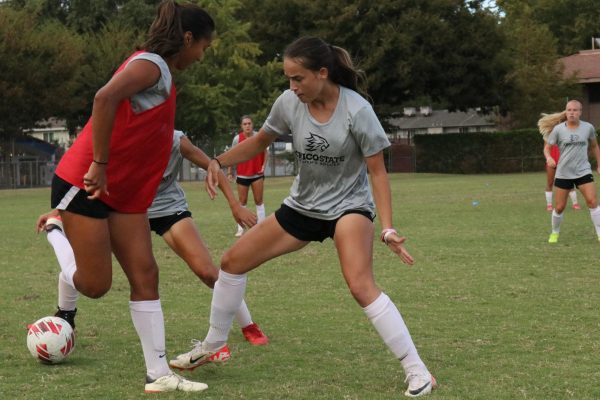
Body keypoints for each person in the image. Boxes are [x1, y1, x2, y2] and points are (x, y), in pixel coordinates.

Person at [170, 36, 437, 398]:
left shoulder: (357, 111)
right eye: (288, 79)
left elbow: (378, 172)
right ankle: (214, 344)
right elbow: (261, 141)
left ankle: (417, 370)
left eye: (299, 79)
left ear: (322, 73)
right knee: (232, 261)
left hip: (348, 208)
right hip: (302, 207)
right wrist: (218, 161)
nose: (292, 87)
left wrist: (387, 227)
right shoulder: (289, 103)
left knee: (360, 285)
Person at [43, 1, 215, 392]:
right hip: (86, 181)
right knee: (96, 285)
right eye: (203, 46)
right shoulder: (151, 64)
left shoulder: (162, 71)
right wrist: (100, 163)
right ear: (187, 39)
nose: (202, 56)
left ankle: (158, 375)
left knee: (146, 274)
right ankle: (56, 230)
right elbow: (104, 98)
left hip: (126, 192)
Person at [37, 130, 269, 347]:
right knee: (88, 264)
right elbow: (87, 178)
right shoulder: (119, 139)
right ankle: (66, 314)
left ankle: (248, 325)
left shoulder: (176, 140)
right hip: (124, 211)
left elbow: (213, 166)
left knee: (208, 272)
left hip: (167, 209)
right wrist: (59, 210)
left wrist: (235, 205)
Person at [541, 100, 600, 244]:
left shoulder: (588, 128)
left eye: (575, 110)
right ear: (566, 112)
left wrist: (599, 164)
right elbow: (547, 148)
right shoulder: (558, 130)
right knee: (560, 207)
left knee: (592, 201)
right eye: (569, 110)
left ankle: (599, 233)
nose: (572, 112)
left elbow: (594, 146)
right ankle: (555, 233)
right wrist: (549, 158)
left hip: (583, 171)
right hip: (563, 173)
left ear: (580, 112)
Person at [226, 115, 268, 237]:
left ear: (252, 124)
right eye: (245, 124)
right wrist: (229, 172)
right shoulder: (237, 139)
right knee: (242, 202)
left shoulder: (258, 136)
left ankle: (262, 227)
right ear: (241, 126)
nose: (247, 126)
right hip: (242, 176)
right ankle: (241, 228)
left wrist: (263, 167)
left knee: (259, 201)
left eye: (249, 123)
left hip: (257, 175)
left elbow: (266, 152)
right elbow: (231, 155)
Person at [539, 114, 581, 211]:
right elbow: (546, 149)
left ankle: (575, 204)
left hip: (565, 161)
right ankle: (549, 205)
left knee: (570, 182)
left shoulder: (569, 133)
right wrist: (549, 159)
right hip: (552, 161)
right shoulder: (548, 133)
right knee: (550, 182)